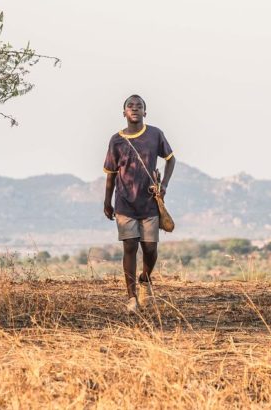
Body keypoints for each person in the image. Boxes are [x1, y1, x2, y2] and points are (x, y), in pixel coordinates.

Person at [103, 95, 176, 314]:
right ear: (123, 112)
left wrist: (164, 185)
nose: (134, 109)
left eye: (139, 106)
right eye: (130, 106)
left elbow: (171, 159)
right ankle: (132, 297)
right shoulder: (116, 140)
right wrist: (107, 201)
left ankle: (145, 279)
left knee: (150, 248)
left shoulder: (155, 134)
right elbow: (111, 175)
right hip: (124, 202)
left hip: (149, 202)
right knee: (130, 246)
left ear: (145, 112)